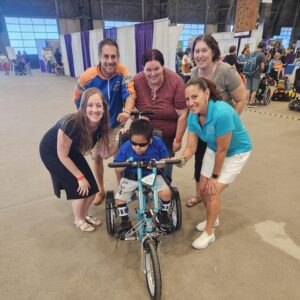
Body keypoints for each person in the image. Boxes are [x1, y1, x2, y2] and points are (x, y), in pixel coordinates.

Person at [178, 77, 252, 249]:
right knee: (202, 188)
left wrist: (215, 176)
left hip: (236, 152)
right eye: (187, 99)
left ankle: (209, 232)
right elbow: (191, 146)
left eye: (194, 97)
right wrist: (182, 159)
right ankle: (214, 216)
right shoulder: (193, 116)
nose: (190, 102)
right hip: (214, 148)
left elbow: (223, 150)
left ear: (206, 93)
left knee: (212, 191)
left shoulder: (222, 113)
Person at [186, 34, 247, 208]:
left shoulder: (225, 71)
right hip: (202, 125)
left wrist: (230, 123)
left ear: (213, 51)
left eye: (204, 50)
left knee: (217, 166)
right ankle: (199, 194)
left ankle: (212, 197)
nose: (200, 55)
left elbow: (242, 99)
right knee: (199, 160)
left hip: (220, 127)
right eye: (196, 51)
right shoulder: (194, 72)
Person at [73, 38, 136, 206]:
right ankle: (100, 191)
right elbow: (77, 98)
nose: (110, 61)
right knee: (97, 158)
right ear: (100, 57)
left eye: (113, 57)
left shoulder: (123, 72)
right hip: (94, 127)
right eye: (106, 56)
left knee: (119, 159)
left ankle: (122, 190)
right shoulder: (87, 77)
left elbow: (130, 94)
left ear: (118, 57)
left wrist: (127, 111)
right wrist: (88, 117)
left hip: (115, 123)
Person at [40, 88, 110, 232]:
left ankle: (84, 214)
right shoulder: (71, 123)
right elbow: (62, 156)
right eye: (90, 105)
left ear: (104, 107)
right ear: (82, 107)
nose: (94, 110)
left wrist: (121, 141)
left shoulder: (101, 125)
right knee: (81, 189)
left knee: (92, 189)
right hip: (53, 153)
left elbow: (105, 153)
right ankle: (78, 219)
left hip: (72, 151)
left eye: (98, 105)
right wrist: (79, 177)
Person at [133, 49, 188, 182]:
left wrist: (178, 139)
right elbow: (129, 105)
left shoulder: (176, 82)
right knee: (140, 169)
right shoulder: (136, 81)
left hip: (167, 136)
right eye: (148, 70)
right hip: (143, 134)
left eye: (157, 68)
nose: (152, 74)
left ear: (163, 66)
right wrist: (139, 116)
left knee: (164, 172)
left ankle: (164, 193)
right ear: (143, 68)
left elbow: (183, 114)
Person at [114, 119, 173, 235]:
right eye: (134, 143)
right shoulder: (126, 147)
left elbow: (166, 160)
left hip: (152, 175)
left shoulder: (157, 142)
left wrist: (157, 163)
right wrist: (125, 164)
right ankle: (125, 221)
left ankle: (163, 214)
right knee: (120, 199)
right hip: (131, 177)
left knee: (166, 194)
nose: (137, 147)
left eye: (142, 144)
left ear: (150, 140)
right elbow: (117, 167)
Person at [245, 41, 266, 106]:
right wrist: (262, 70)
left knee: (248, 89)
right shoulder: (262, 54)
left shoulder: (251, 53)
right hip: (256, 74)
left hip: (248, 73)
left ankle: (247, 102)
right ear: (263, 47)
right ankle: (251, 102)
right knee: (254, 89)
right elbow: (262, 67)